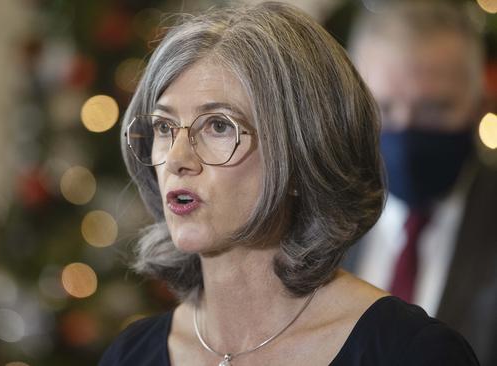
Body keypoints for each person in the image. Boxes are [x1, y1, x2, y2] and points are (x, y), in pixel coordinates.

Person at [100, 2, 479, 365]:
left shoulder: (412, 353)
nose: (177, 159)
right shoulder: (131, 354)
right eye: (164, 127)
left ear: (303, 155)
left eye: (218, 126)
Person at [343, 2, 497, 365]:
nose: (406, 127)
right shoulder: (317, 223)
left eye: (434, 108)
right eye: (384, 108)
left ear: (479, 105)